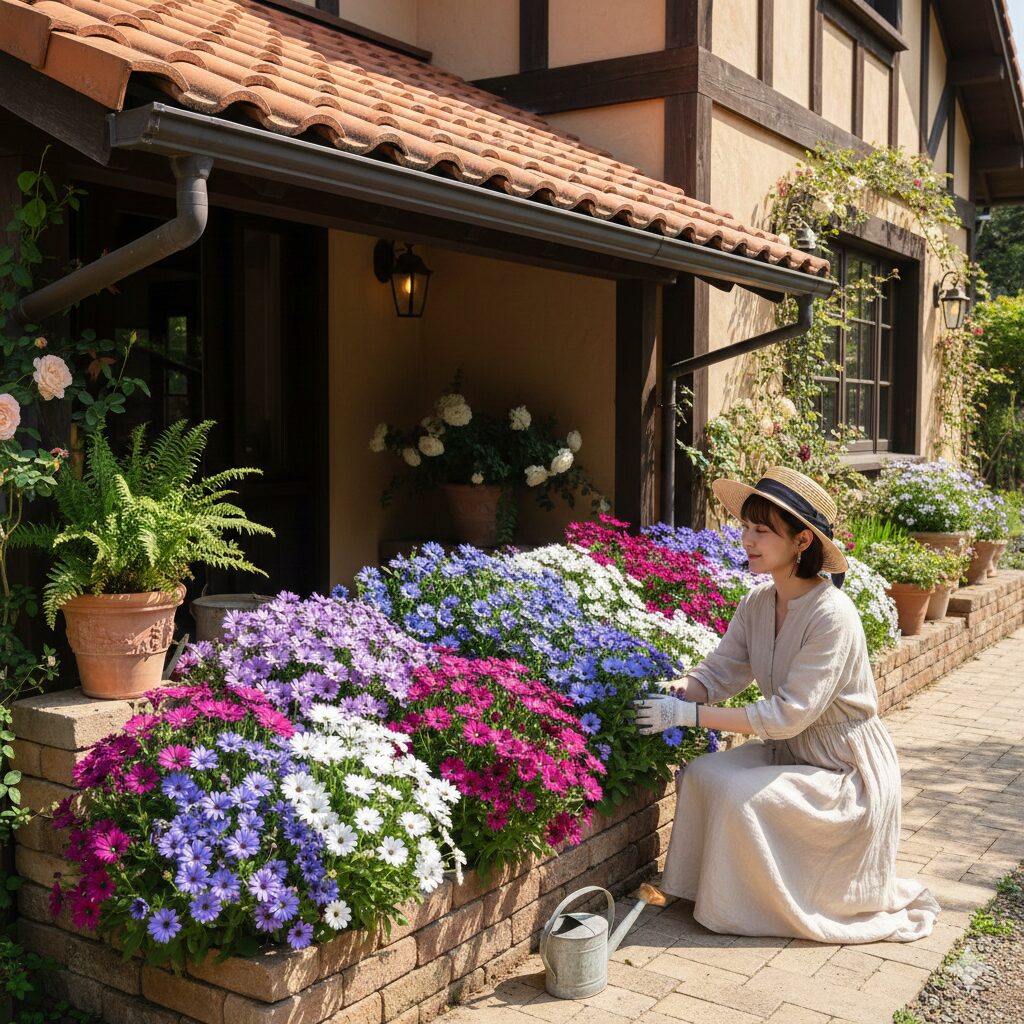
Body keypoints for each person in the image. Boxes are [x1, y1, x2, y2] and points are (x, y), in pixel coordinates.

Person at [634, 466, 940, 943]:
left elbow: (785, 716)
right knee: (700, 775)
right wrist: (678, 690)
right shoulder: (757, 603)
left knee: (738, 796)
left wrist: (688, 716)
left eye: (763, 530)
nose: (748, 539)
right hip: (791, 752)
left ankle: (748, 910)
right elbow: (720, 672)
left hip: (845, 770)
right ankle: (706, 893)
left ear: (801, 541)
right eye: (746, 526)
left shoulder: (831, 615)